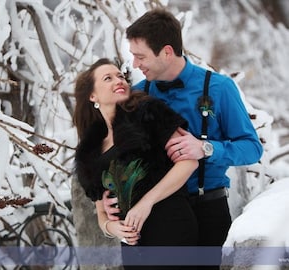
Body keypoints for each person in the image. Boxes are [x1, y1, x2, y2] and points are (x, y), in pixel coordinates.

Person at [102, 8, 264, 269]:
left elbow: (252, 148)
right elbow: (117, 157)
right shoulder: (137, 96)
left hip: (207, 212)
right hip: (155, 215)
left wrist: (206, 148)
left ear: (166, 51)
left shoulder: (219, 88)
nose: (134, 65)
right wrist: (108, 206)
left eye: (140, 56)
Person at [73, 58, 199, 269]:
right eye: (108, 78)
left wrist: (145, 203)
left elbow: (188, 162)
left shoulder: (149, 113)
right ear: (92, 96)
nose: (118, 80)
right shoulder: (91, 149)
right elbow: (102, 215)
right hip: (134, 245)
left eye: (120, 76)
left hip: (171, 225)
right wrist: (113, 228)